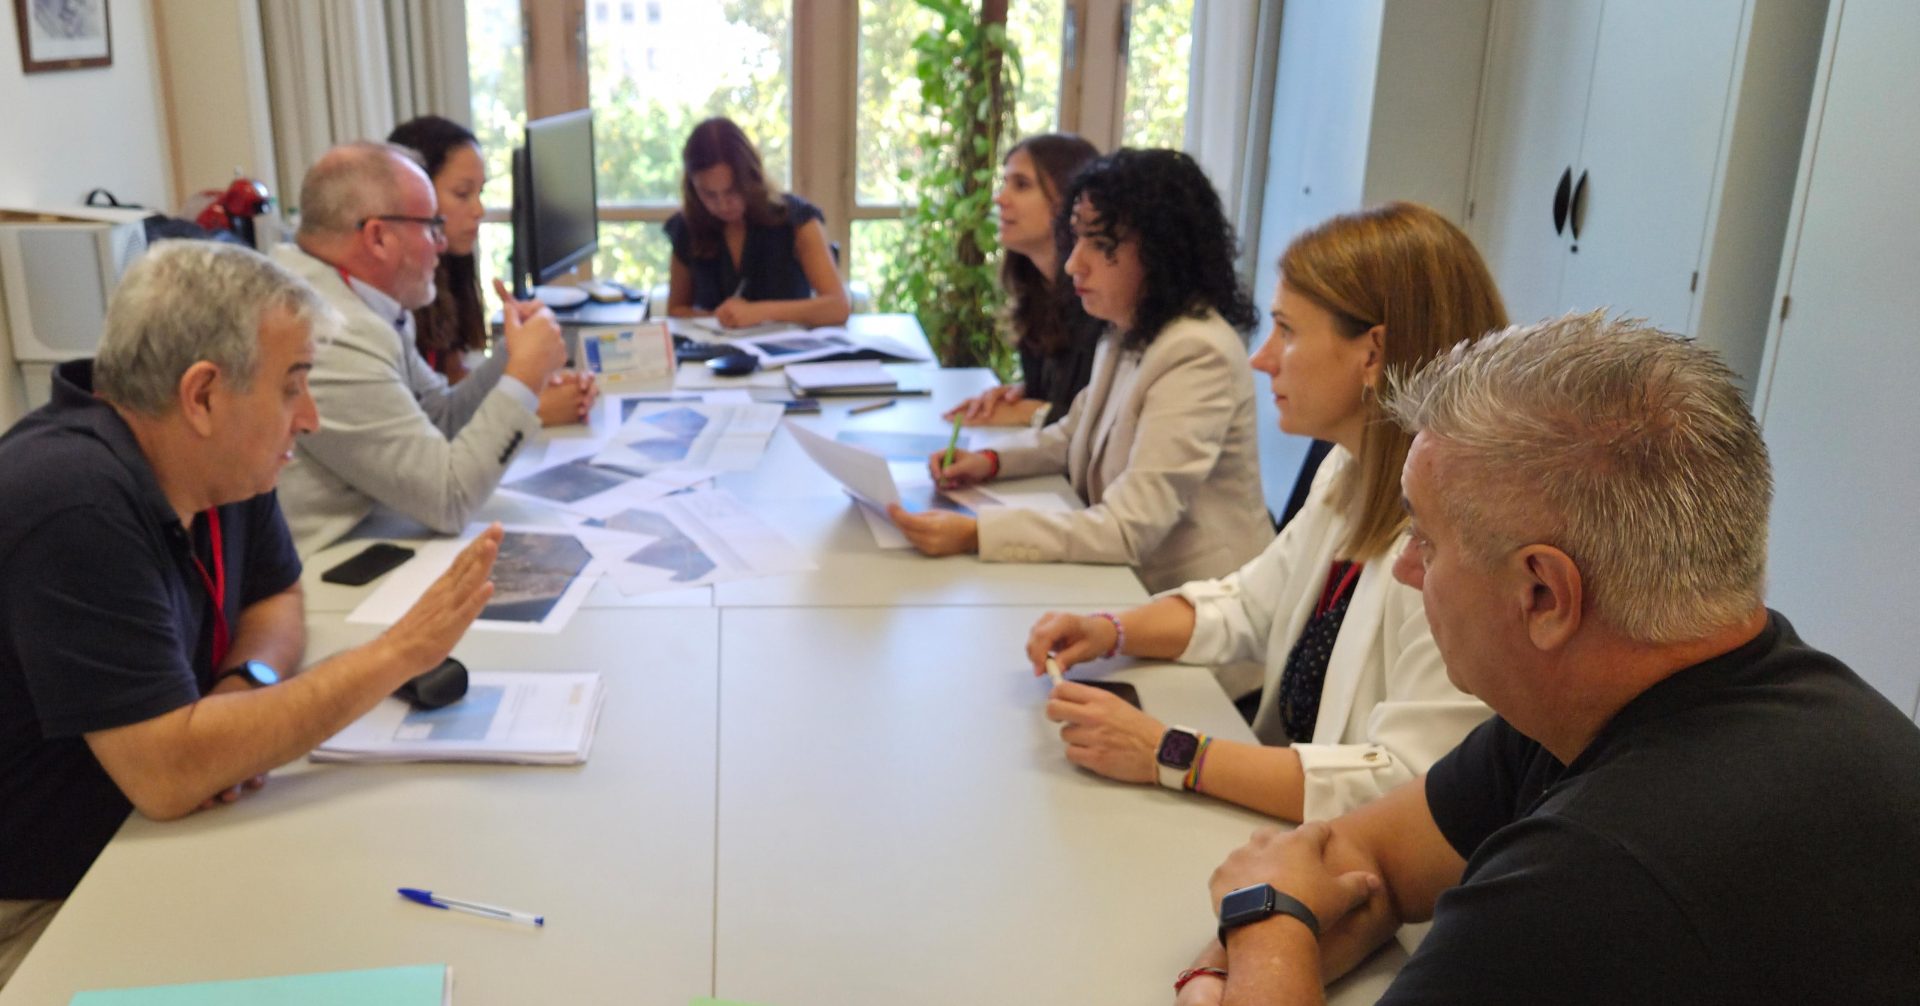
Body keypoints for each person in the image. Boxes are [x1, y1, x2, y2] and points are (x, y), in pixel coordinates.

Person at [1183, 313, 1920, 1005]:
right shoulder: (1650, 695)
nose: (1404, 568)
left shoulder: (1600, 876)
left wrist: (1264, 924)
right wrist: (1272, 937)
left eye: (1425, 540)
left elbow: (1296, 891)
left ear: (1543, 594)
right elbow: (1364, 865)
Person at [0, 241, 504, 985]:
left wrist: (244, 687)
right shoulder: (70, 500)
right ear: (203, 395)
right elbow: (168, 773)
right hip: (42, 902)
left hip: (137, 842)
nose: (310, 418)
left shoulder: (213, 462)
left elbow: (276, 595)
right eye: (293, 385)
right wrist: (398, 654)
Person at [1026, 203, 1503, 825]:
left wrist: (1168, 752)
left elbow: (1408, 783)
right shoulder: (1349, 469)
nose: (1262, 358)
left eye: (1287, 331)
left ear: (1373, 354)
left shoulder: (1465, 542)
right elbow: (1248, 604)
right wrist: (1110, 631)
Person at [887, 149, 1273, 593]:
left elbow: (1128, 528)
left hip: (1203, 601)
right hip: (1132, 587)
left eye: (1101, 245)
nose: (1073, 262)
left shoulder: (1196, 353)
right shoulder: (1127, 329)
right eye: (1076, 239)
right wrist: (990, 461)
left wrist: (978, 532)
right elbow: (1074, 433)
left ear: (1163, 251)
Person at [272, 141, 569, 556]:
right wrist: (525, 376)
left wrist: (512, 354)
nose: (441, 244)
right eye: (431, 227)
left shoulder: (361, 298)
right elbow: (449, 499)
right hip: (327, 563)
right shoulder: (325, 329)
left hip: (372, 536)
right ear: (378, 237)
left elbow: (440, 418)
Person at [386, 115, 596, 425]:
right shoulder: (395, 296)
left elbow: (453, 386)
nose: (479, 210)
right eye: (462, 194)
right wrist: (529, 410)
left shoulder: (449, 270)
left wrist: (533, 383)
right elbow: (427, 427)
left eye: (480, 193)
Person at [945, 133, 1103, 428]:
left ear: (1069, 199)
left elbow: (1103, 425)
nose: (1000, 198)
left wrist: (1033, 412)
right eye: (1005, 183)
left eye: (1021, 185)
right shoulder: (1038, 291)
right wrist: (1023, 396)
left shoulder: (1099, 302)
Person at [664, 117, 850, 328]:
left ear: (751, 177)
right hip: (713, 348)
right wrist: (718, 317)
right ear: (692, 187)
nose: (722, 204)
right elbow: (676, 310)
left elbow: (838, 307)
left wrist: (759, 312)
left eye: (732, 190)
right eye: (708, 194)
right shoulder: (687, 226)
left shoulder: (795, 217)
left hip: (787, 346)